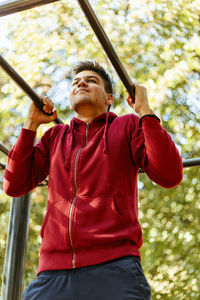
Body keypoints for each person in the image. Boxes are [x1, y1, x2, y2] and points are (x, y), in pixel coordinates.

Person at [3, 60, 183, 300]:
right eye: (76, 82)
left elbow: (170, 174)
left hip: (114, 265)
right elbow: (14, 185)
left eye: (92, 80)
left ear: (109, 98)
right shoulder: (56, 136)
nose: (81, 83)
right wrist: (31, 124)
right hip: (53, 272)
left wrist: (144, 111)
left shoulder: (127, 126)